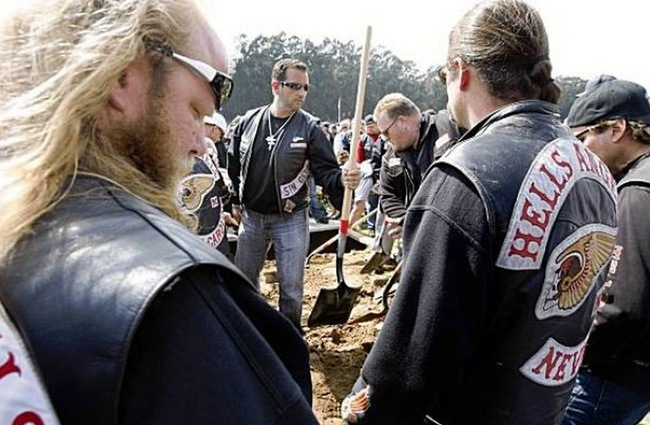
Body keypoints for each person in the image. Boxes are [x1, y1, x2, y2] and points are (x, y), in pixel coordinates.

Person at [0, 1, 320, 424]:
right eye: (194, 110)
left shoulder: (18, 232)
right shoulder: (178, 299)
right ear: (121, 78)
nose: (201, 143)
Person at [342, 1, 618, 424]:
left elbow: (413, 355)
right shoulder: (594, 168)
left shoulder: (467, 174)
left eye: (443, 76)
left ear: (461, 70)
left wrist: (365, 407)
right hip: (544, 406)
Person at [227, 58, 360, 331]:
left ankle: (290, 338)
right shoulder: (248, 122)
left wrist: (345, 180)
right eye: (295, 86)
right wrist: (235, 201)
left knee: (291, 287)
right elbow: (233, 164)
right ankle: (248, 333)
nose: (302, 93)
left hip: (290, 219)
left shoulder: (310, 128)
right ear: (276, 86)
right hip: (251, 219)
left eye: (306, 88)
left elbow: (327, 173)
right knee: (244, 280)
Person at [561, 78, 650, 425]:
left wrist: (579, 353)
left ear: (617, 129)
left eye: (584, 138)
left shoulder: (638, 191)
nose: (581, 150)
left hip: (609, 375)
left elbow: (623, 303)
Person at [372, 93, 460, 261]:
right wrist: (407, 222)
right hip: (413, 239)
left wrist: (419, 226)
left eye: (385, 133)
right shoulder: (390, 155)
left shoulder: (449, 130)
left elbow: (454, 191)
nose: (384, 139)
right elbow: (387, 193)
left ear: (402, 122)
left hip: (448, 238)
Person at [178, 113, 236, 257]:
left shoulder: (206, 149)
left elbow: (221, 191)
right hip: (198, 247)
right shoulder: (206, 148)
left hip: (199, 242)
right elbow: (223, 192)